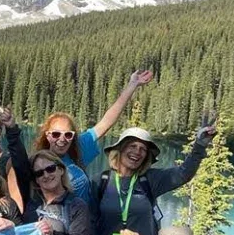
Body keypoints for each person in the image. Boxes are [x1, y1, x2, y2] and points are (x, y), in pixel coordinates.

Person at [90, 124, 215, 235]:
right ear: (119, 149)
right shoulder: (101, 181)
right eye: (132, 146)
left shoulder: (151, 180)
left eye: (143, 149)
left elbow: (183, 173)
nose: (137, 152)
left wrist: (200, 145)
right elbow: (89, 220)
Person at [31, 70, 154, 204]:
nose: (62, 139)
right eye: (56, 134)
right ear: (47, 135)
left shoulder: (78, 148)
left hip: (88, 219)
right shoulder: (38, 163)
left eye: (68, 134)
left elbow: (106, 122)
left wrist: (133, 84)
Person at [29, 150, 91, 235]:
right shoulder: (30, 206)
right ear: (36, 179)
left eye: (50, 169)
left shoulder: (77, 205)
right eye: (39, 173)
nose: (46, 175)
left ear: (61, 170)